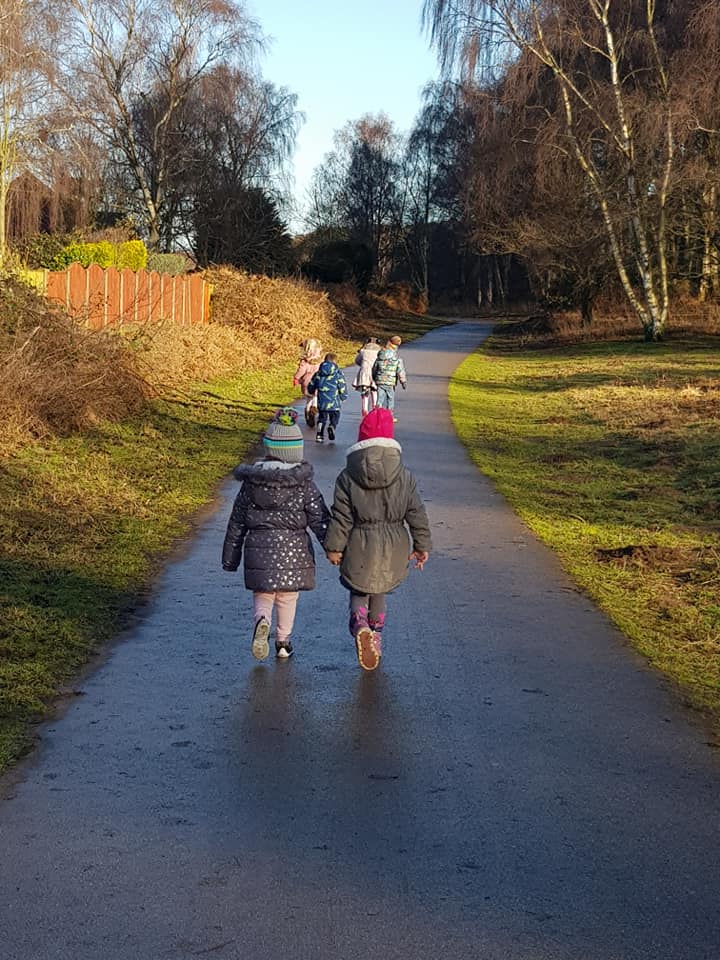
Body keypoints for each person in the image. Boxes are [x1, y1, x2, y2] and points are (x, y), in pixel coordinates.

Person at [324, 407, 431, 671]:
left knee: (359, 588)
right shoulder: (404, 476)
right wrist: (421, 545)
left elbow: (341, 516)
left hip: (358, 542)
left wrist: (334, 547)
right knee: (380, 589)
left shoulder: (347, 476)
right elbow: (416, 512)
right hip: (393, 545)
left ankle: (359, 623)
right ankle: (375, 633)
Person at [222, 408, 330, 660]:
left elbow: (237, 521)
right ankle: (283, 642)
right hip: (294, 554)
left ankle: (262, 620)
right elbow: (320, 518)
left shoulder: (251, 483)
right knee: (287, 597)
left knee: (263, 593)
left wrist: (230, 558)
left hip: (258, 553)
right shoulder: (304, 484)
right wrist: (333, 546)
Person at [307, 353, 348, 443]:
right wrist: (343, 396)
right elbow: (342, 385)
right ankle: (332, 426)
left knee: (322, 418)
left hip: (322, 401)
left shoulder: (318, 373)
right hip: (334, 401)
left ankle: (319, 435)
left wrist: (311, 391)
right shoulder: (338, 373)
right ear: (335, 362)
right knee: (335, 415)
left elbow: (312, 384)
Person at [372, 335, 406, 421]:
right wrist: (403, 381)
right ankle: (389, 416)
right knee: (390, 399)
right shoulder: (397, 359)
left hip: (380, 380)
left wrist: (375, 378)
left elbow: (374, 368)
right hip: (390, 381)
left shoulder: (380, 357)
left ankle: (377, 415)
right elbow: (400, 370)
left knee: (380, 398)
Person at [293, 339, 323, 428]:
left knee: (309, 398)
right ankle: (314, 409)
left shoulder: (305, 361)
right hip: (318, 382)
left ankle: (308, 410)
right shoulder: (320, 360)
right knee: (315, 397)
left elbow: (301, 371)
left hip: (307, 382)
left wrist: (296, 378)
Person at [352, 336, 381, 416]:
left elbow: (357, 361)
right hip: (375, 372)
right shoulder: (379, 352)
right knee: (374, 390)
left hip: (364, 372)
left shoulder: (363, 351)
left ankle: (364, 409)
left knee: (365, 391)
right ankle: (375, 406)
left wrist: (363, 363)